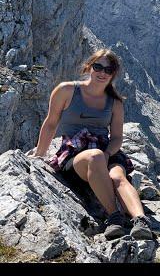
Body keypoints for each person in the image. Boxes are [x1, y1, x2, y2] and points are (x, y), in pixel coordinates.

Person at [27, 49, 153, 241]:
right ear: (89, 67)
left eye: (108, 70)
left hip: (106, 151)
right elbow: (51, 123)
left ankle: (140, 221)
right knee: (94, 156)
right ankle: (114, 217)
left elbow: (117, 137)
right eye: (98, 67)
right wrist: (39, 154)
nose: (102, 73)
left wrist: (108, 154)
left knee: (117, 175)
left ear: (113, 74)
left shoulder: (115, 103)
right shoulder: (66, 90)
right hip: (75, 154)